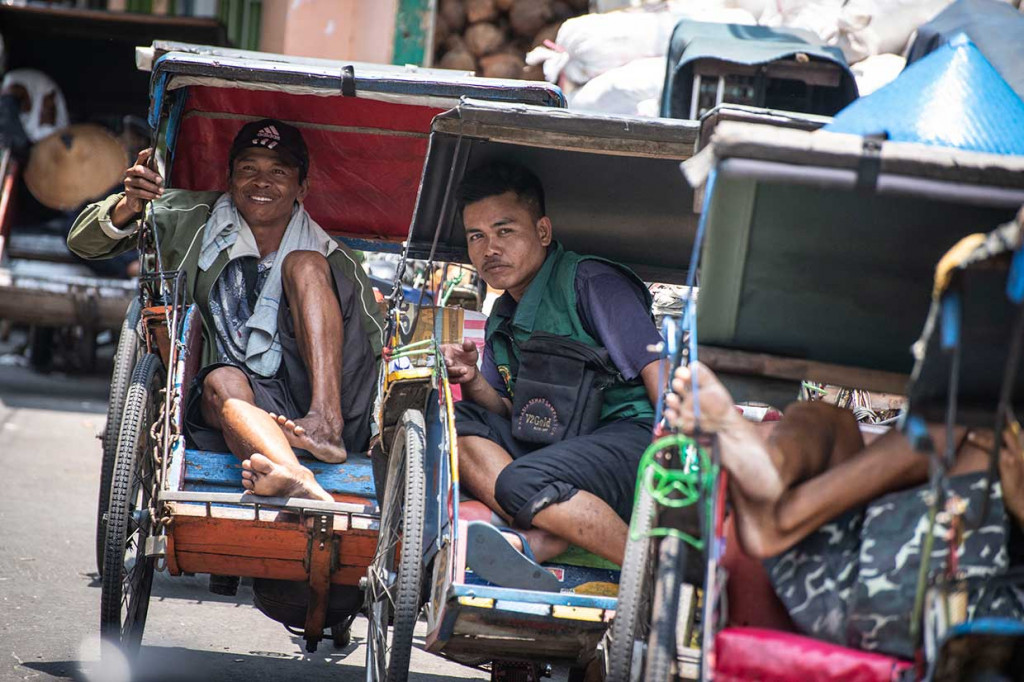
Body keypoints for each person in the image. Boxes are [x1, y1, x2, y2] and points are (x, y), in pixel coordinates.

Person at [69, 119, 385, 502]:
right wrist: (129, 204)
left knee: (305, 263)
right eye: (248, 168)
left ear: (302, 187)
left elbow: (375, 345)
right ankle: (291, 472)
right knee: (220, 380)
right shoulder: (191, 218)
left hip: (327, 397)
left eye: (278, 171)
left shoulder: (335, 257)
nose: (261, 181)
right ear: (230, 178)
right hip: (244, 407)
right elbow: (82, 241)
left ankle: (324, 423)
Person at [665, 362, 1024, 658]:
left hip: (951, 612)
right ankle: (772, 473)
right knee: (825, 418)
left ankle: (779, 516)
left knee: (966, 415)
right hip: (831, 583)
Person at [440, 162, 662, 590]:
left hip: (629, 439)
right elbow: (509, 409)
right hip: (556, 445)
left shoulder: (591, 282)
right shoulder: (502, 315)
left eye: (505, 231)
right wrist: (471, 379)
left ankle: (647, 573)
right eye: (476, 236)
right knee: (456, 422)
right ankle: (538, 533)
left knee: (520, 480)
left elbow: (657, 368)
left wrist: (676, 450)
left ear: (542, 232)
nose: (489, 249)